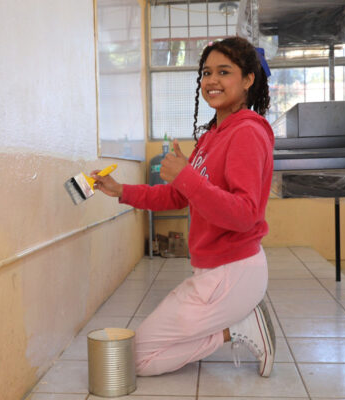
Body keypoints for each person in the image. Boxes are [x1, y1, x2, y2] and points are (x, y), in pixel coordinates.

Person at [91, 36, 276, 378]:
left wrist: (186, 176)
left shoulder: (247, 133)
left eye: (224, 72)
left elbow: (245, 214)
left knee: (136, 360)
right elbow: (178, 197)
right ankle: (235, 322)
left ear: (248, 79)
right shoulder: (212, 135)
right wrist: (120, 190)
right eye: (206, 73)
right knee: (139, 352)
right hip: (213, 270)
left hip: (232, 271)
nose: (212, 80)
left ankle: (236, 328)